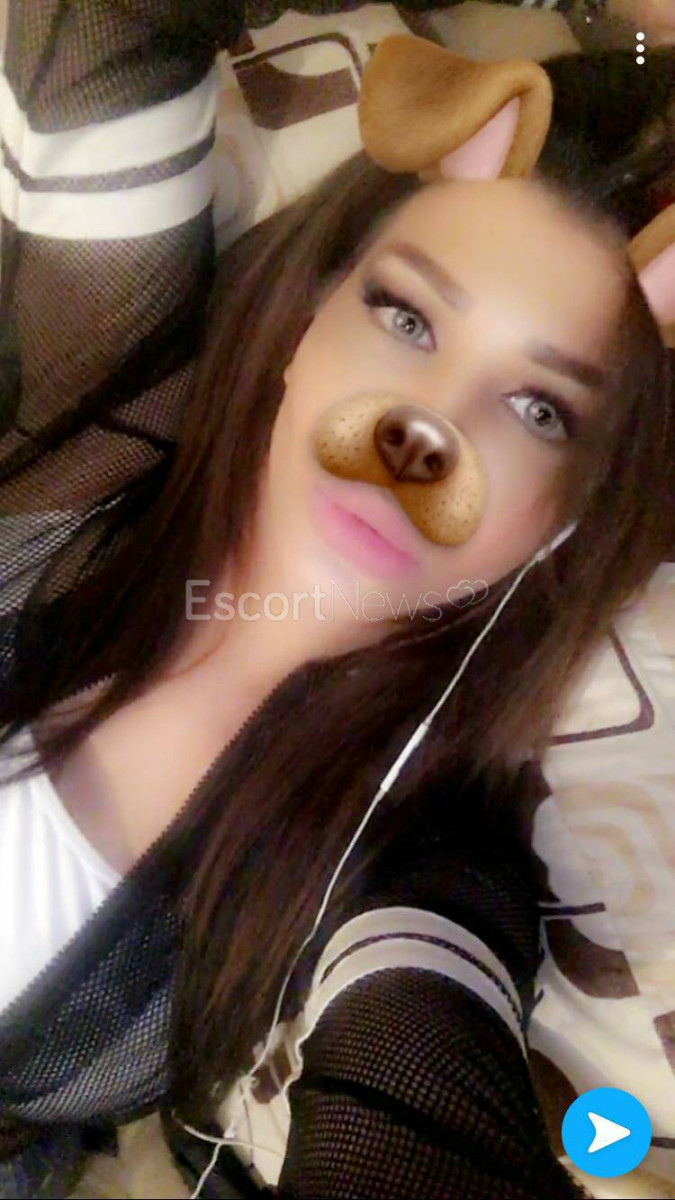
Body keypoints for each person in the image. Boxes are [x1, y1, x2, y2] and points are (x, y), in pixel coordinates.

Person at [0, 4, 674, 1198]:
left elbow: (419, 1087)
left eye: (539, 409)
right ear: (307, 322)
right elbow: (106, 29)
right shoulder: (110, 435)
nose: (425, 431)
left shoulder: (411, 849)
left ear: (571, 518)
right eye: (407, 317)